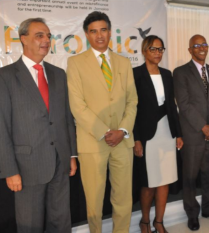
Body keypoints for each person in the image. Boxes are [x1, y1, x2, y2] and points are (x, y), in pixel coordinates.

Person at [0, 18, 77, 232]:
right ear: (23, 39)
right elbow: (1, 128)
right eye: (39, 35)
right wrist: (9, 170)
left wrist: (71, 155)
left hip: (60, 163)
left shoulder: (58, 74)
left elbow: (66, 119)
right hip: (26, 167)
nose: (46, 40)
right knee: (30, 225)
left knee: (61, 223)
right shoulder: (5, 77)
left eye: (48, 36)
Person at [67, 11, 138, 233]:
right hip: (92, 141)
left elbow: (132, 101)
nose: (99, 35)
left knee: (123, 199)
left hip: (122, 141)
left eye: (103, 30)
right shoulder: (75, 63)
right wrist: (105, 132)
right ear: (86, 35)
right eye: (94, 31)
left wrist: (123, 130)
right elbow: (77, 106)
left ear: (110, 32)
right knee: (94, 203)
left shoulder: (124, 63)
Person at [173, 34, 209, 231]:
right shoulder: (180, 73)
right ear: (190, 50)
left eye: (204, 44)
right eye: (197, 45)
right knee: (190, 177)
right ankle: (192, 214)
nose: (202, 48)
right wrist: (203, 126)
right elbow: (184, 104)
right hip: (193, 134)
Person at [133, 35, 183, 233]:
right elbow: (132, 109)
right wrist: (136, 138)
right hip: (146, 135)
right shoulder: (135, 74)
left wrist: (178, 133)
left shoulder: (167, 74)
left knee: (165, 180)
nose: (157, 53)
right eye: (153, 49)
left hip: (167, 132)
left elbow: (172, 105)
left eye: (160, 49)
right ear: (144, 50)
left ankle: (159, 222)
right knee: (149, 183)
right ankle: (145, 221)